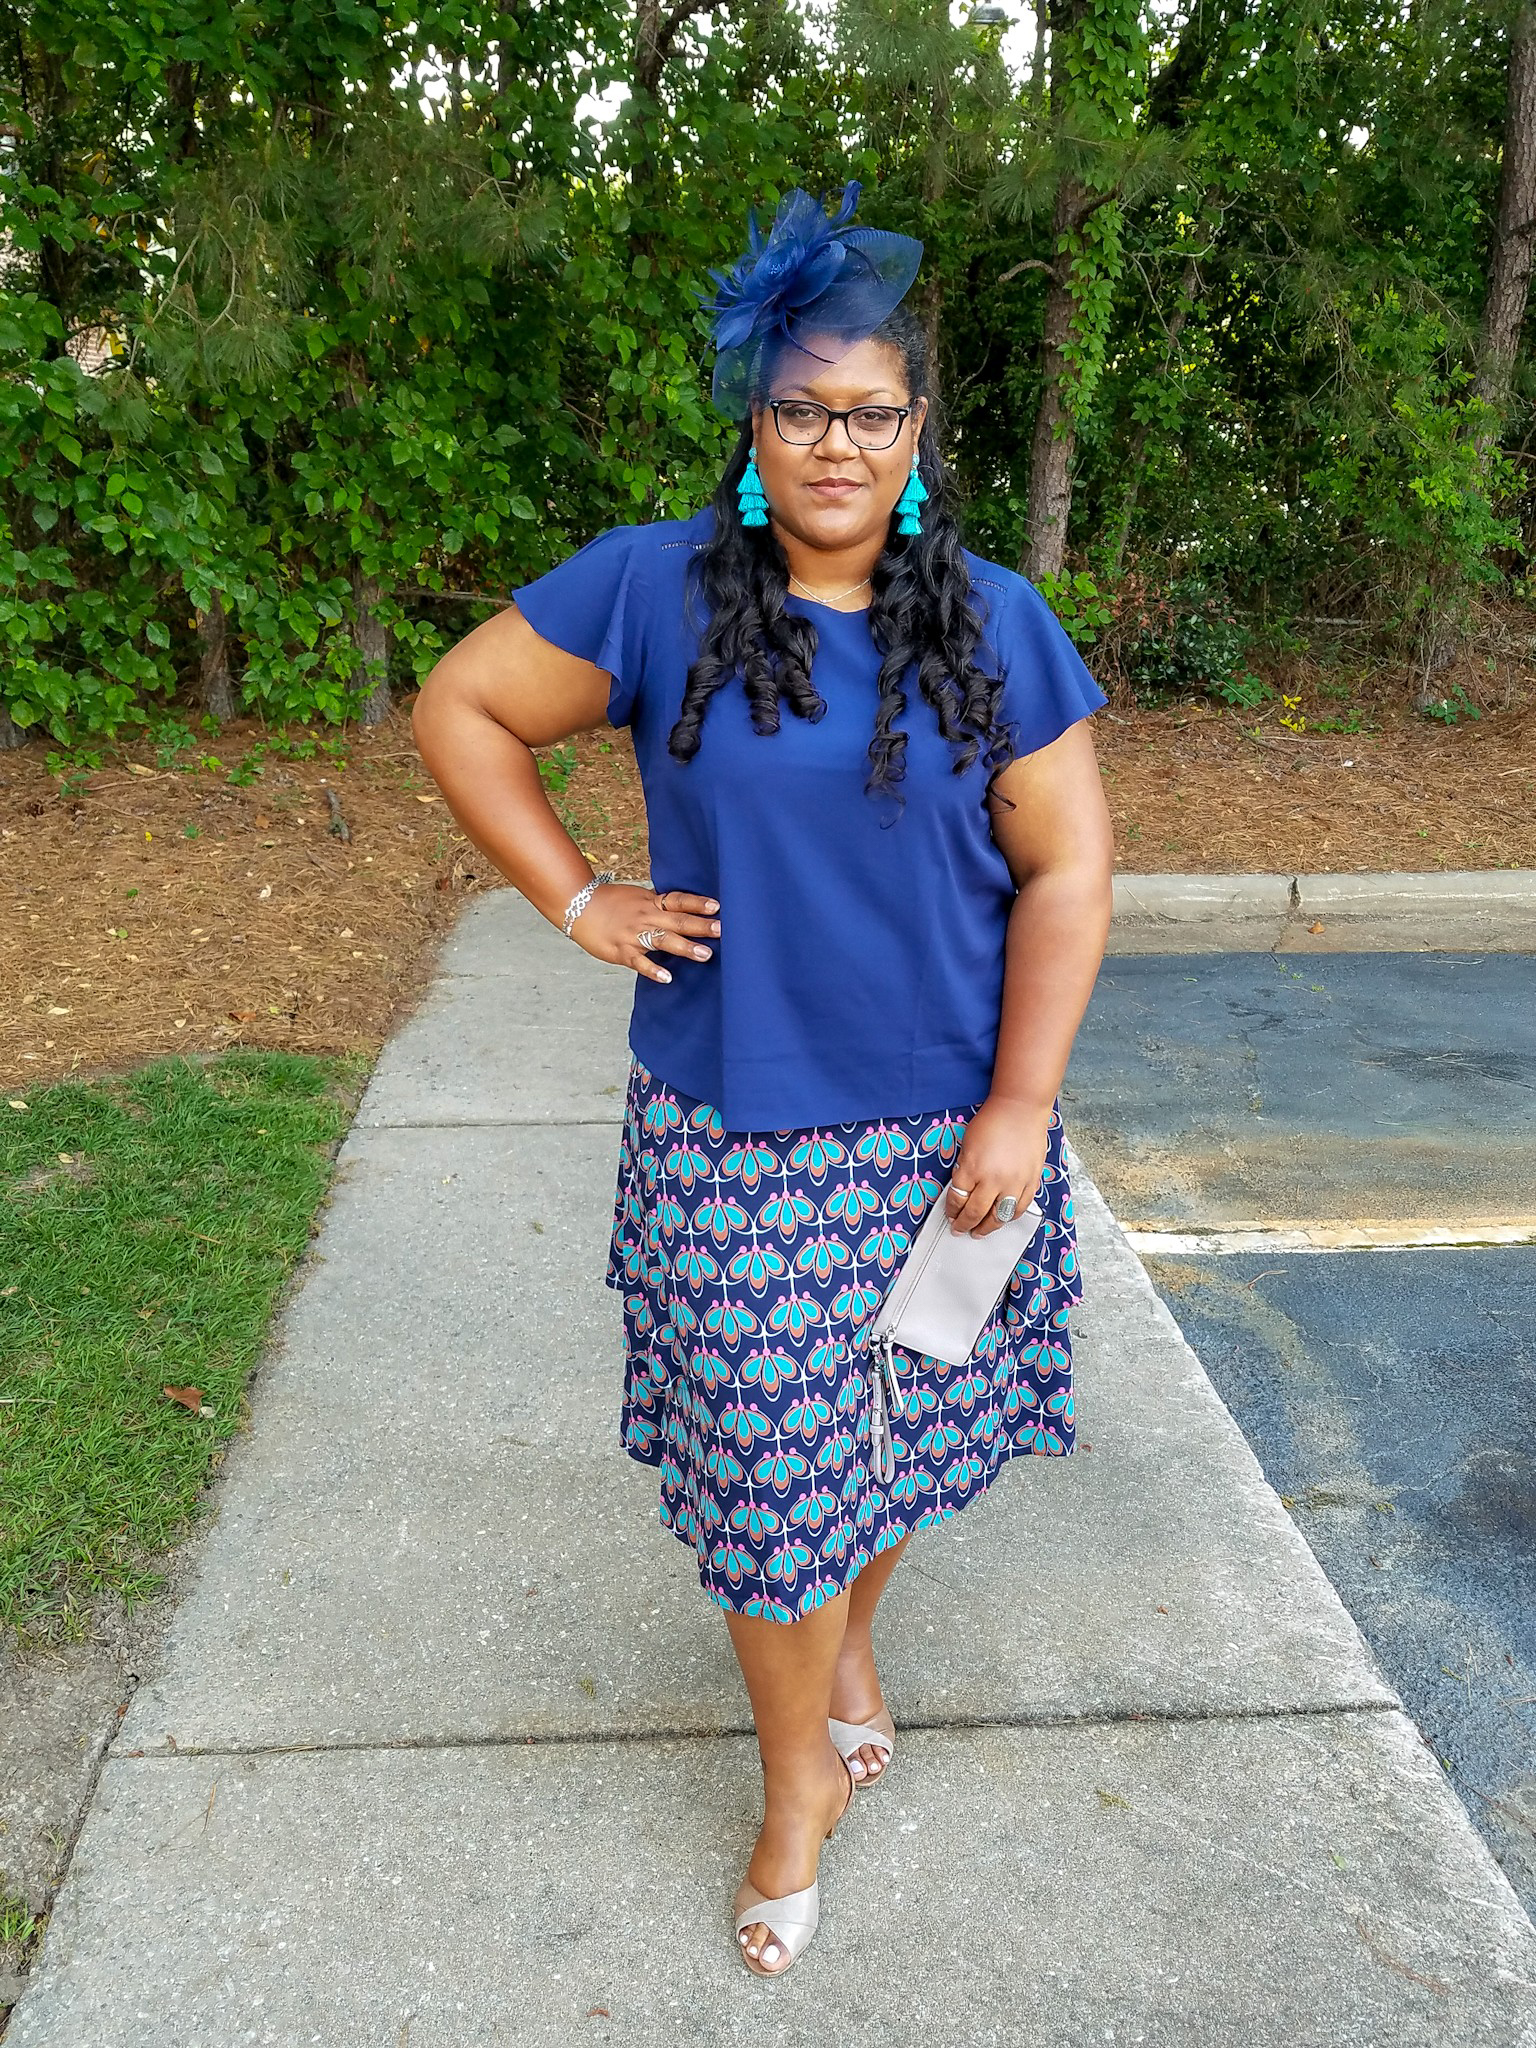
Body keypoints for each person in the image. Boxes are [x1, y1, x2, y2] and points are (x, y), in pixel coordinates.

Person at [411, 179, 1115, 1979]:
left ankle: (851, 1659)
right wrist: (576, 896)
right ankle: (796, 1781)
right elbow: (460, 710)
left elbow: (1069, 873)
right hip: (733, 1136)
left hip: (949, 1137)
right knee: (769, 1475)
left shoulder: (998, 624)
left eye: (871, 410)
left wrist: (1022, 1107)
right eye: (801, 408)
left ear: (918, 431)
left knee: (890, 1448)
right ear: (752, 421)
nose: (835, 442)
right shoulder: (654, 591)